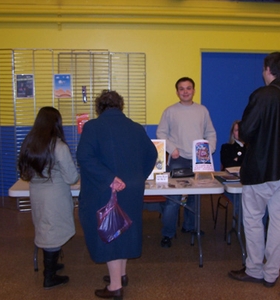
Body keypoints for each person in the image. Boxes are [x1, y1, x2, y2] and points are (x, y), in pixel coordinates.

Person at [228, 52, 280, 287]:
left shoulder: (262, 95)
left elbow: (245, 132)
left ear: (267, 69)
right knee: (278, 221)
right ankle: (271, 274)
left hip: (260, 169)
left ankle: (255, 269)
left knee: (254, 220)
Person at [77, 90, 157, 299]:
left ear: (99, 108)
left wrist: (109, 178)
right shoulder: (136, 128)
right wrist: (138, 176)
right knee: (125, 230)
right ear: (120, 106)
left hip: (105, 190)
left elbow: (84, 157)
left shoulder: (92, 127)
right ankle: (120, 275)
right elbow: (152, 154)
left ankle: (114, 288)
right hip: (132, 189)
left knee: (111, 233)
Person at [18, 107, 79, 289]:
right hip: (55, 196)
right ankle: (49, 277)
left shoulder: (30, 143)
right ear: (56, 124)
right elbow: (72, 178)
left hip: (37, 194)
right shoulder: (59, 146)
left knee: (45, 228)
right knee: (53, 231)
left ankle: (51, 265)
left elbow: (24, 173)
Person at [156, 77, 217, 248]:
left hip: (199, 160)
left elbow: (210, 133)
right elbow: (161, 133)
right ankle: (168, 233)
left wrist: (208, 148)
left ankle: (190, 227)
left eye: (188, 88)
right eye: (181, 89)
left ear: (194, 90)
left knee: (195, 197)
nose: (185, 91)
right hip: (178, 158)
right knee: (173, 199)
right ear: (177, 92)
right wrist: (171, 149)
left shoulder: (202, 110)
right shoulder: (170, 111)